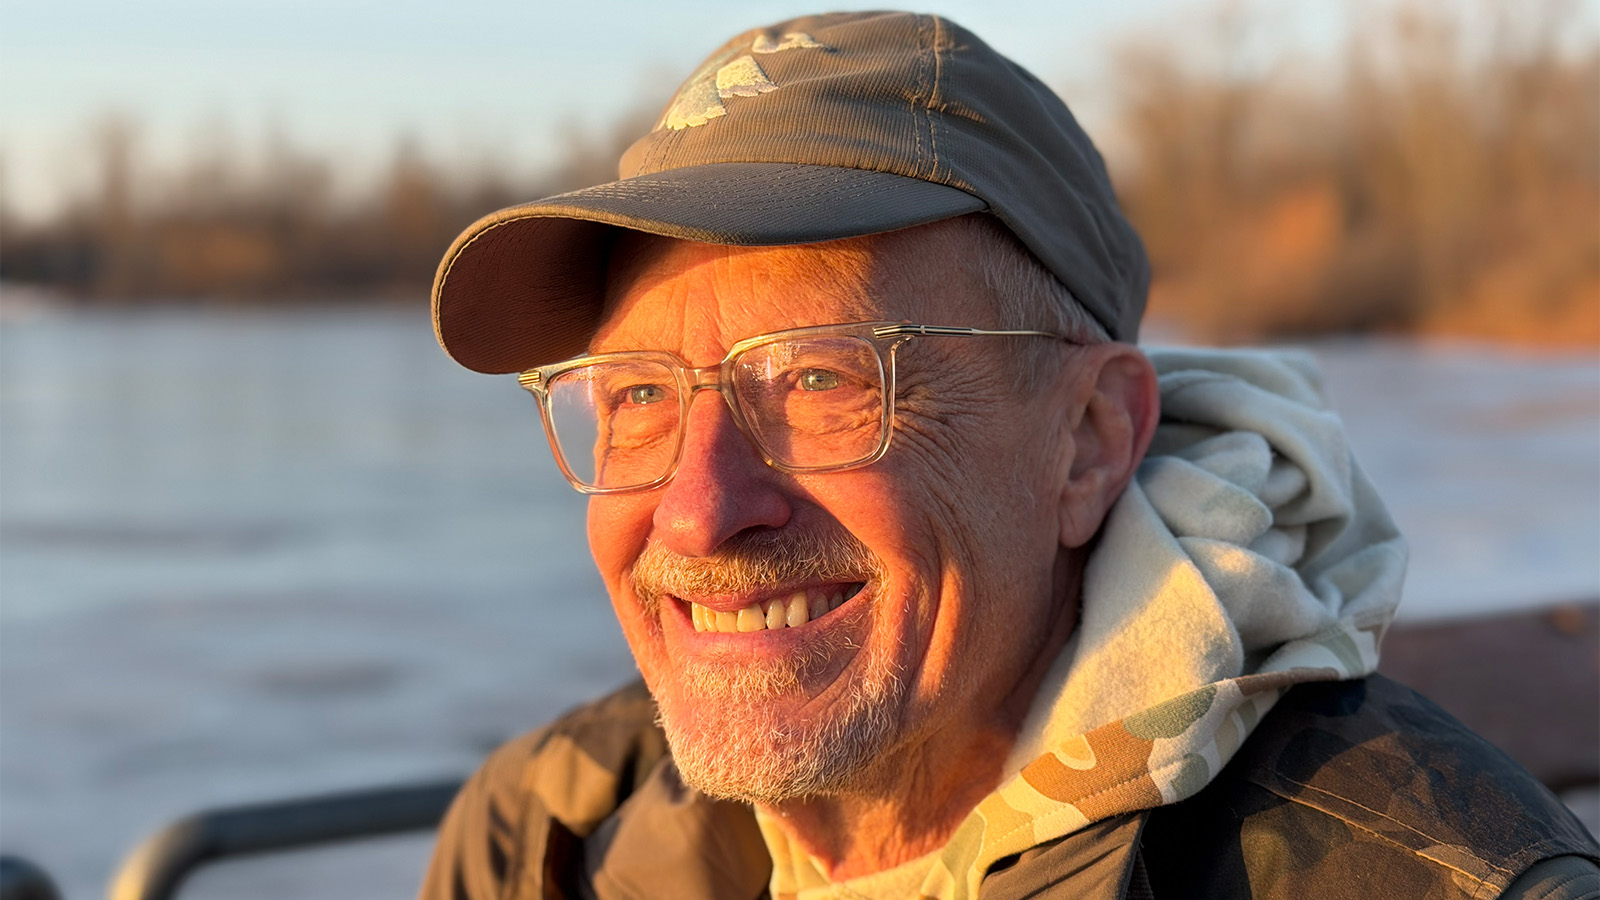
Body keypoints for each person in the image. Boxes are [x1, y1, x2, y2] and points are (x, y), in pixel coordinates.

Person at [419, 12, 1599, 900]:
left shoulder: (1426, 880)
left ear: (1086, 443)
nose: (694, 509)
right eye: (635, 395)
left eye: (822, 379)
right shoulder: (543, 832)